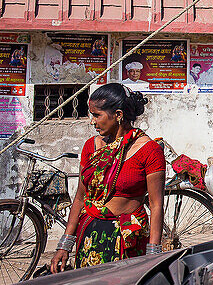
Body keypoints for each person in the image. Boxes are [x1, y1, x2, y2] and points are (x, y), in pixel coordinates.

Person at [50, 83, 165, 272]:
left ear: (118, 115)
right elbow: (80, 198)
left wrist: (153, 255)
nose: (92, 121)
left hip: (128, 240)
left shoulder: (149, 151)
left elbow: (156, 205)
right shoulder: (91, 147)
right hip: (89, 237)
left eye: (97, 115)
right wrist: (64, 245)